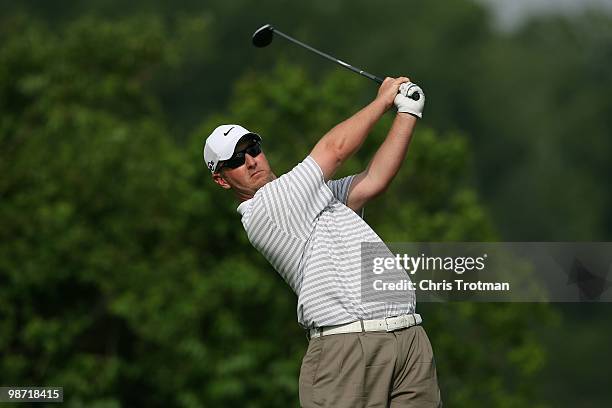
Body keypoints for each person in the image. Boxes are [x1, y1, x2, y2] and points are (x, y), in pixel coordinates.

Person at [204, 77, 442, 407]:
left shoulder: (314, 197)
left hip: (407, 338)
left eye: (253, 149)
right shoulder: (266, 207)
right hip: (347, 347)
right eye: (235, 160)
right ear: (221, 179)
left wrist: (407, 113)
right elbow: (335, 150)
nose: (251, 161)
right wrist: (383, 101)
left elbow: (373, 180)